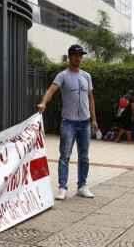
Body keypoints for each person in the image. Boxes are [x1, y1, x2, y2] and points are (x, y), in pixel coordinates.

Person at [37, 44, 98, 200]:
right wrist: (44, 103)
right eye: (76, 55)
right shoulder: (62, 76)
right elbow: (51, 90)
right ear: (70, 57)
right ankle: (62, 187)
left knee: (84, 156)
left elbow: (91, 98)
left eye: (80, 56)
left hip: (84, 122)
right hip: (68, 122)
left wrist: (94, 119)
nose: (79, 58)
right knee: (65, 156)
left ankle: (82, 186)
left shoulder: (87, 76)